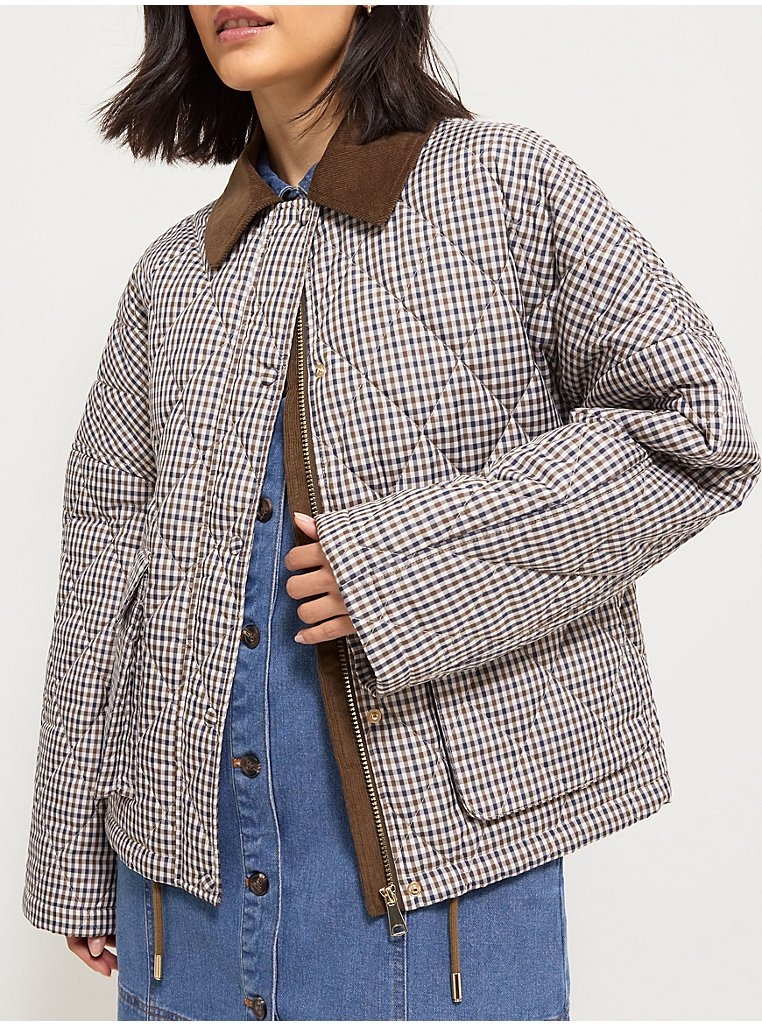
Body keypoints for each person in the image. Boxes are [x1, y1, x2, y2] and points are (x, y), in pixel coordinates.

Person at [21, 4, 759, 1021]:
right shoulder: (173, 274)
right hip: (178, 911)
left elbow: (696, 426)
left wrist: (401, 567)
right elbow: (103, 558)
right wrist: (71, 854)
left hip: (438, 906)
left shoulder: (502, 186)